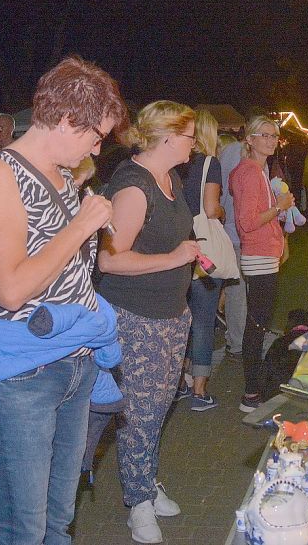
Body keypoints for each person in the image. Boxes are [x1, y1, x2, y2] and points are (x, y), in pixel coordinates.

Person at [0, 56, 125, 545]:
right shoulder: (0, 175)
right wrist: (80, 227)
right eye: (94, 135)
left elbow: (66, 267)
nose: (97, 148)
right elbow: (12, 289)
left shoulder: (63, 177)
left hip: (71, 362)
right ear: (65, 120)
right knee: (26, 524)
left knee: (53, 518)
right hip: (22, 375)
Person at [95, 100, 199, 543]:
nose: (195, 143)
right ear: (169, 137)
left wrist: (190, 251)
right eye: (191, 134)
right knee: (139, 413)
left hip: (172, 313)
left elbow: (172, 238)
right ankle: (136, 503)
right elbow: (109, 260)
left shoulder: (170, 177)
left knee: (158, 408)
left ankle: (145, 482)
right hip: (137, 319)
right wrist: (175, 257)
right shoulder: (134, 187)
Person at [229, 116, 294, 413]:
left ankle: (252, 390)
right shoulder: (251, 173)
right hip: (257, 255)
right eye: (264, 135)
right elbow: (247, 222)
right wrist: (278, 207)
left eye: (274, 136)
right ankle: (251, 394)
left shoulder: (257, 170)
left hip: (263, 254)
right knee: (256, 325)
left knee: (258, 322)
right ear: (250, 139)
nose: (271, 140)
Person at [176, 109, 225, 411]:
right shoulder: (211, 163)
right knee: (204, 320)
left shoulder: (177, 166)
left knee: (182, 319)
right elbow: (210, 208)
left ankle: (178, 381)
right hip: (204, 249)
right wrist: (223, 211)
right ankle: (200, 389)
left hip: (178, 247)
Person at [218, 134, 247, 361]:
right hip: (237, 232)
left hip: (234, 231)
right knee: (238, 290)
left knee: (238, 290)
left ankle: (238, 338)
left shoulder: (229, 153)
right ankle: (237, 341)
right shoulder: (237, 154)